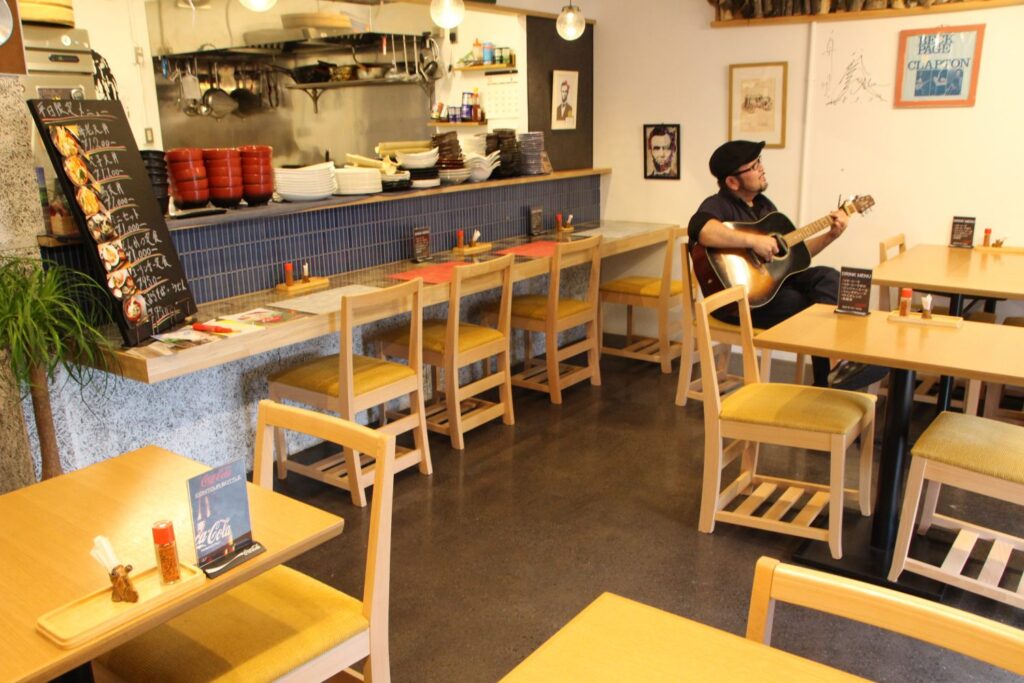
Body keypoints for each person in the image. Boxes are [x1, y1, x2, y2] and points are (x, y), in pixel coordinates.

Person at [688, 139, 885, 390]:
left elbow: (793, 256)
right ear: (732, 182)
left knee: (828, 277)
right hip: (737, 304)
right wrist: (754, 241)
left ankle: (838, 365)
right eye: (753, 166)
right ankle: (832, 378)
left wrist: (830, 235)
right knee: (810, 308)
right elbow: (701, 229)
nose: (761, 168)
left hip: (772, 291)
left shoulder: (765, 206)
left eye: (760, 162)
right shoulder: (718, 205)